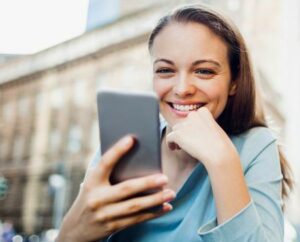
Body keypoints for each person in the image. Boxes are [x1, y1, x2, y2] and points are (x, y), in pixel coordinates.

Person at [56, 4, 293, 242]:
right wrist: (72, 233)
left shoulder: (256, 147)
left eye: (204, 71)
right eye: (165, 70)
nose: (181, 89)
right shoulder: (126, 143)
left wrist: (222, 162)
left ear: (234, 81)